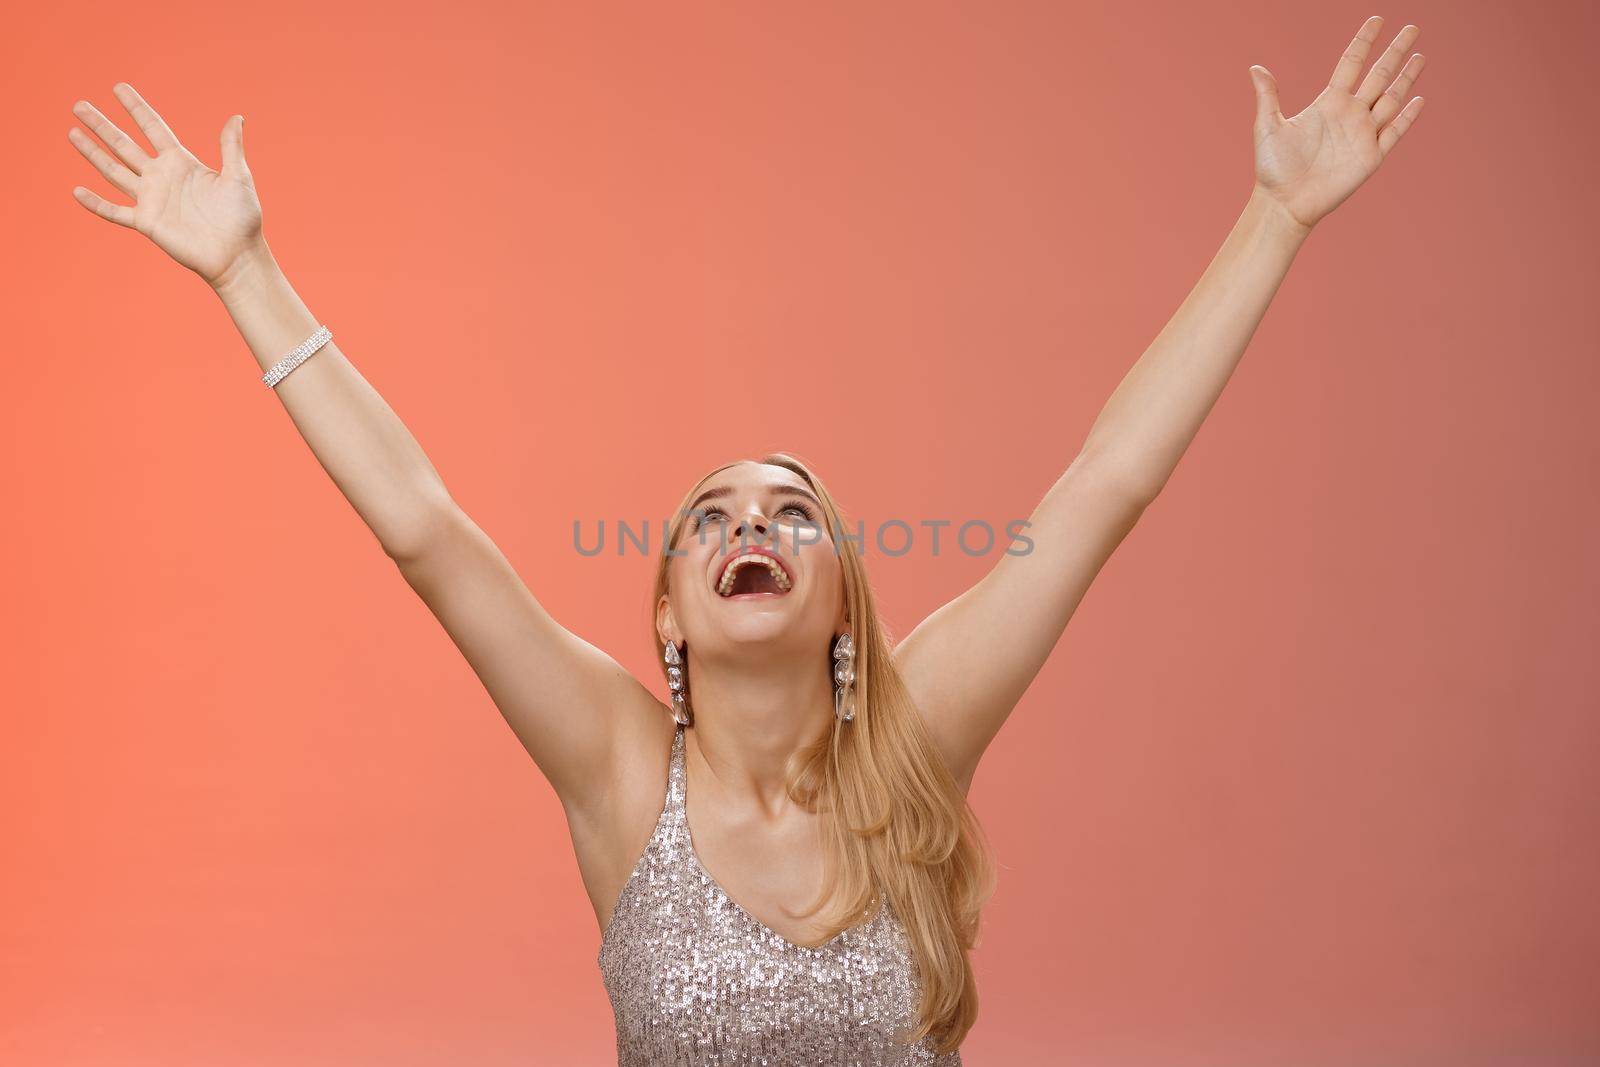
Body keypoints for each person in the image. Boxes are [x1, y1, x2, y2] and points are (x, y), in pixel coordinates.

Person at [66, 15, 1427, 1063]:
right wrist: (246, 273)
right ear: (668, 613)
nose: (750, 527)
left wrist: (1277, 216)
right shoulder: (614, 766)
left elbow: (1103, 488)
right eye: (709, 518)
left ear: (843, 594)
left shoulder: (922, 736)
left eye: (791, 513)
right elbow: (425, 532)